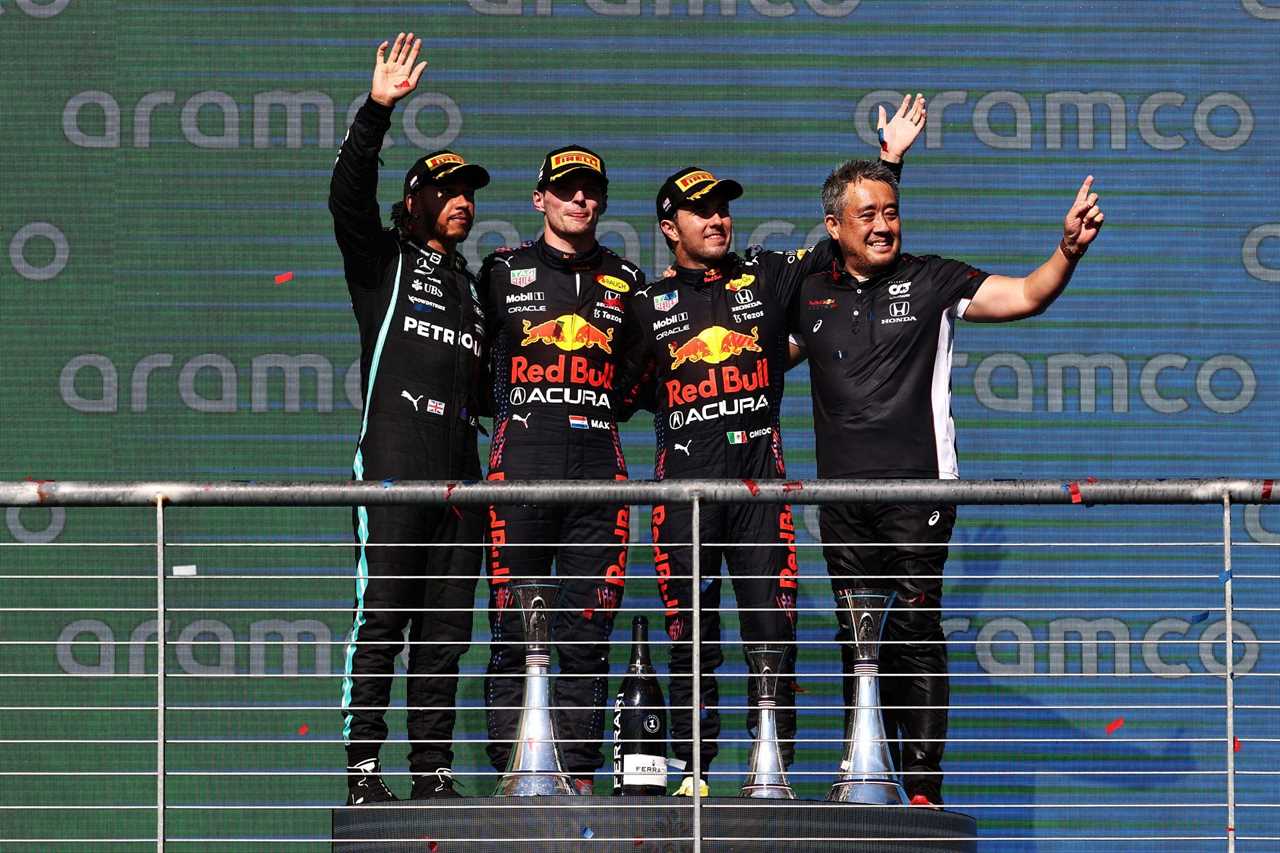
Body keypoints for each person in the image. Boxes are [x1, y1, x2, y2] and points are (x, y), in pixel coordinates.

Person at [622, 96, 926, 795]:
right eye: (702, 209)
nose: (719, 217)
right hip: (684, 493)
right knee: (691, 645)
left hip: (763, 488)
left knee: (772, 637)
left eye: (724, 206)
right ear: (671, 227)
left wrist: (889, 163)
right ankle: (694, 774)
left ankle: (772, 775)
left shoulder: (764, 273)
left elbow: (841, 244)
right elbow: (618, 391)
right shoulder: (647, 303)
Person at [789, 159, 1104, 805]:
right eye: (867, 215)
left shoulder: (931, 278)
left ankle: (924, 788)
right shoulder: (811, 290)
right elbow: (759, 353)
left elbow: (1024, 295)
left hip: (921, 491)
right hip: (841, 497)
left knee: (914, 622)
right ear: (833, 226)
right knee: (858, 637)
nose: (883, 226)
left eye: (891, 211)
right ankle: (865, 774)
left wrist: (1066, 252)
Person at [329, 32, 491, 805]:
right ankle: (364, 771)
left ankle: (432, 772)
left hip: (462, 475)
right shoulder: (383, 260)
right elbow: (347, 199)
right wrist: (377, 112)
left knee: (447, 636)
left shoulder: (472, 288)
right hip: (394, 459)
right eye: (449, 188)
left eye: (470, 192)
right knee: (385, 617)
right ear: (416, 200)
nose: (463, 199)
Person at [480, 146, 647, 794]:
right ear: (540, 199)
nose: (581, 201)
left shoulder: (627, 279)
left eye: (592, 191)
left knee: (587, 625)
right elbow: (482, 367)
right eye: (568, 189)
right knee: (509, 623)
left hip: (599, 470)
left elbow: (636, 377)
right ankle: (513, 771)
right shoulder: (501, 271)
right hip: (520, 463)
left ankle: (575, 771)